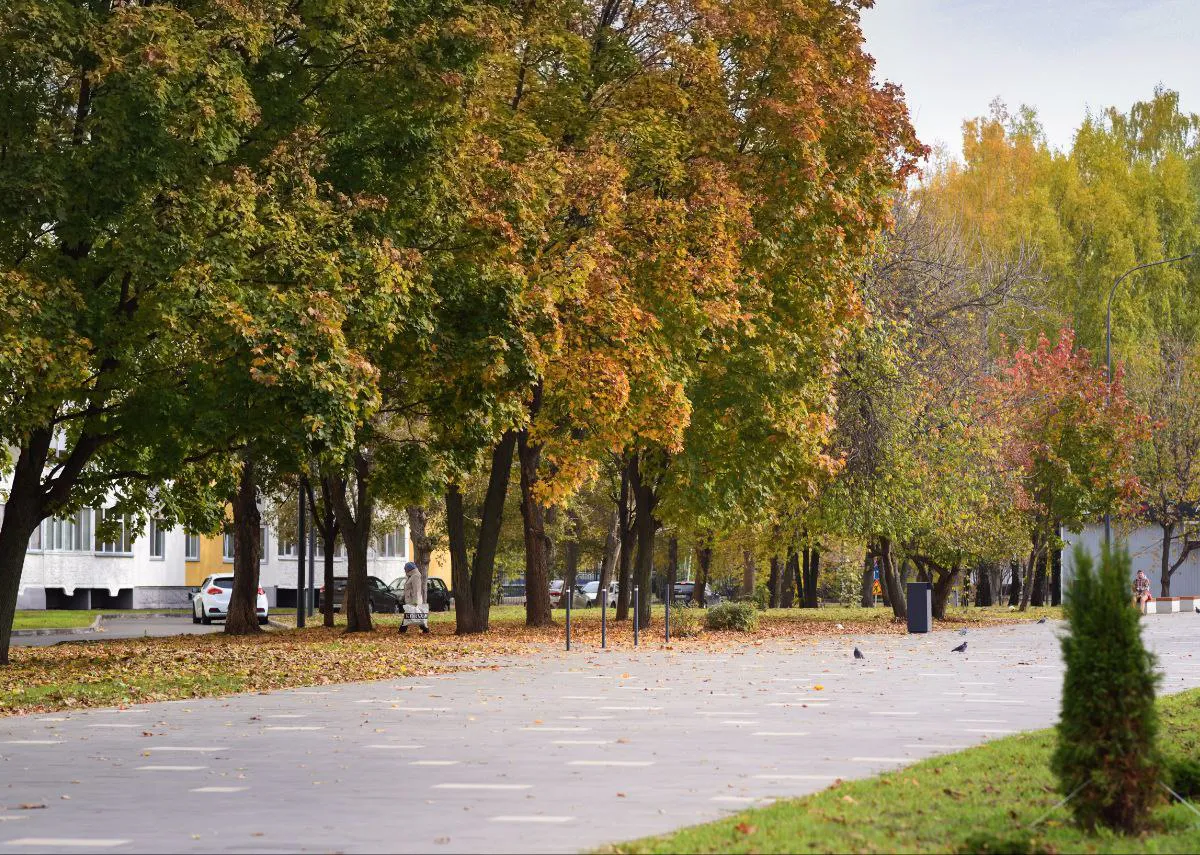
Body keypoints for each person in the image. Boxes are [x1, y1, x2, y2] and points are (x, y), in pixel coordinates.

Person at [399, 561, 430, 634]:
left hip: (413, 600)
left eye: (405, 569)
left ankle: (402, 631)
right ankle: (425, 629)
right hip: (411, 599)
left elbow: (417, 590)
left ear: (409, 569)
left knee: (409, 615)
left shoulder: (415, 576)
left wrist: (415, 602)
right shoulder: (411, 576)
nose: (404, 570)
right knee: (415, 616)